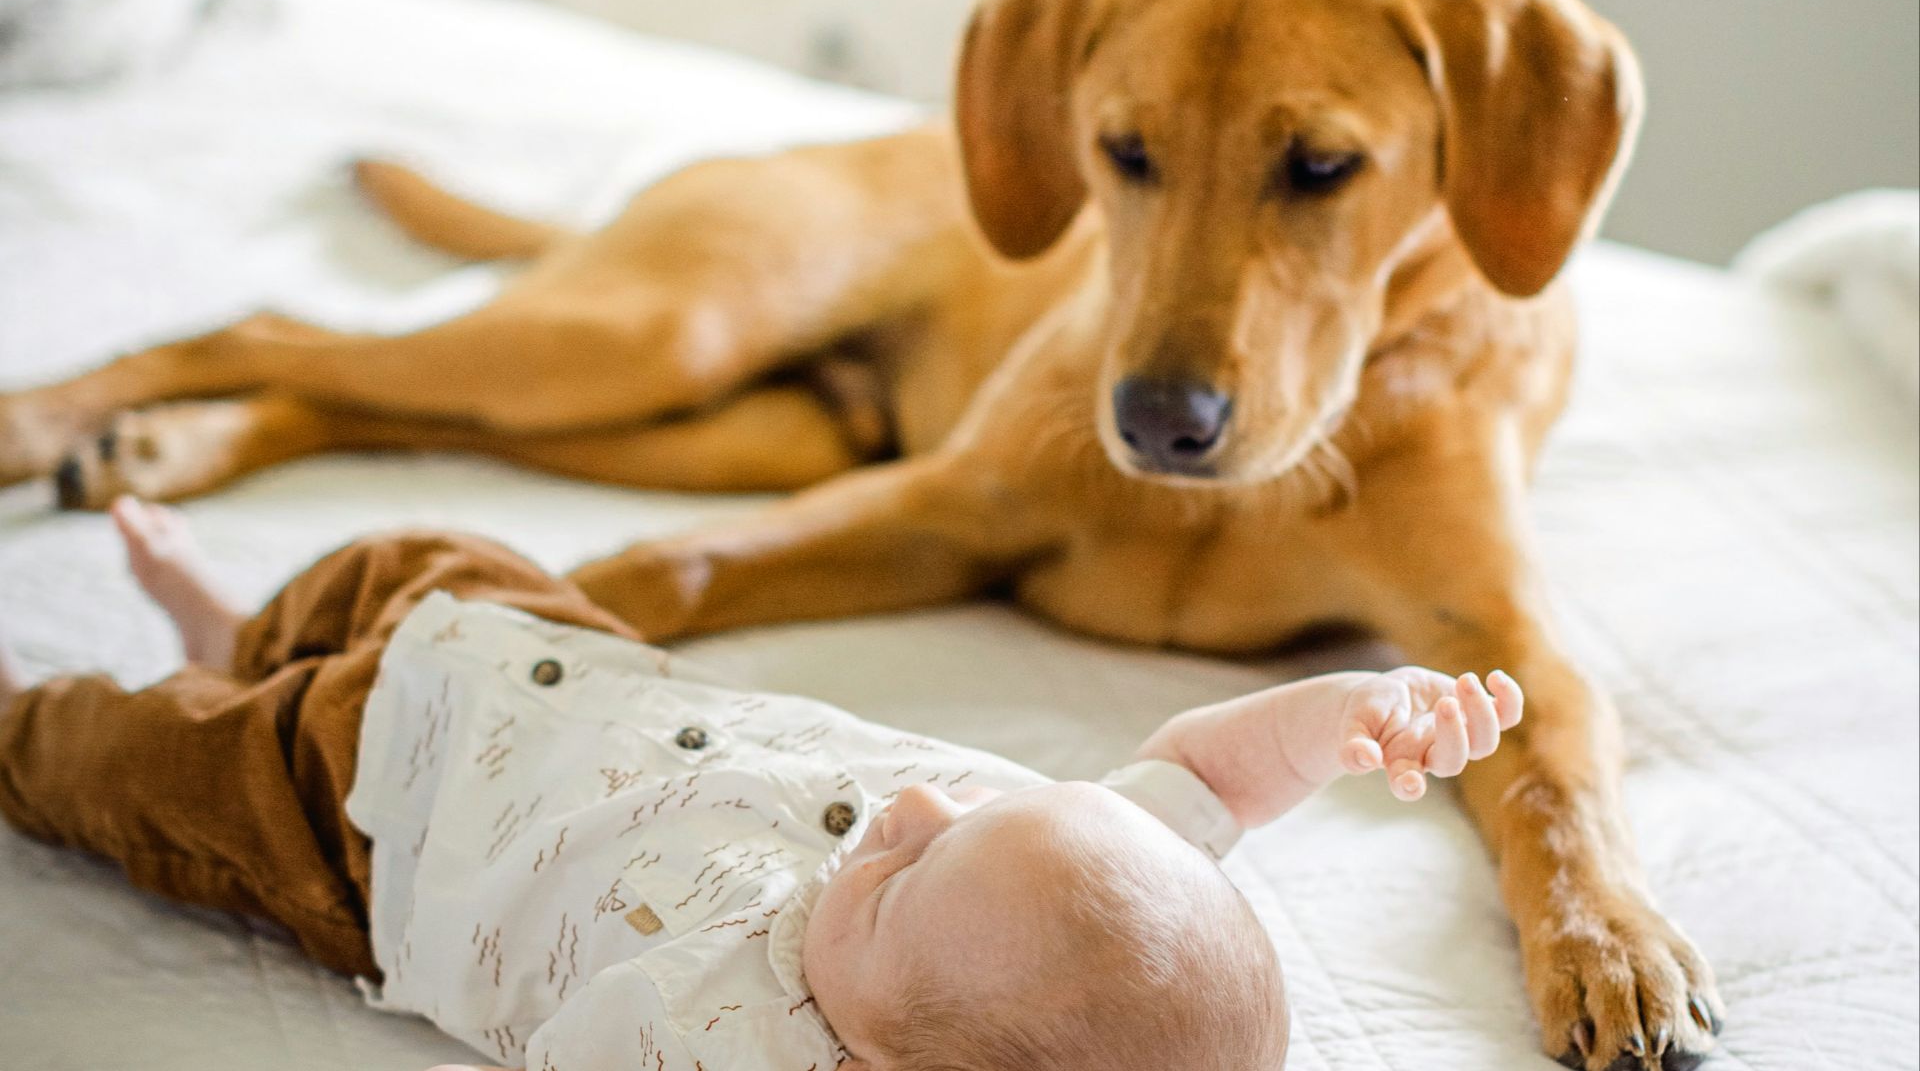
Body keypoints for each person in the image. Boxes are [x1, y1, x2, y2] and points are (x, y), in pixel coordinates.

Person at [0, 499, 1522, 1071]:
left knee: (131, 769)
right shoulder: (1060, 873)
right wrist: (1357, 718)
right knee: (400, 562)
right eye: (969, 807)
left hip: (356, 828)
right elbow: (1203, 770)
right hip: (555, 667)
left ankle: (49, 717)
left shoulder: (725, 1049)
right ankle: (240, 634)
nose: (911, 812)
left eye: (909, 875)